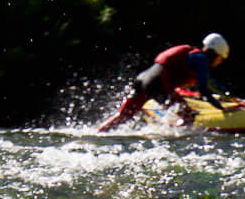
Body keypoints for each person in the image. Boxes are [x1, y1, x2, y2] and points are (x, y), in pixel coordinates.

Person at [98, 34, 235, 132]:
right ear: (216, 53)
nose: (219, 62)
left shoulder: (195, 56)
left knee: (123, 116)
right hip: (158, 84)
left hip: (144, 79)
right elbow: (203, 89)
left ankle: (99, 133)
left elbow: (209, 83)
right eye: (220, 59)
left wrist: (228, 95)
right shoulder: (202, 59)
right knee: (188, 116)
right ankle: (174, 139)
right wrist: (221, 108)